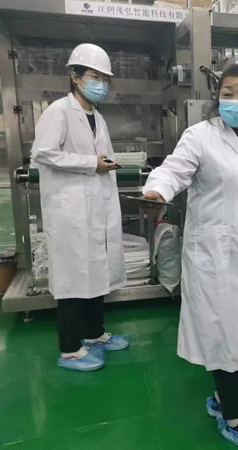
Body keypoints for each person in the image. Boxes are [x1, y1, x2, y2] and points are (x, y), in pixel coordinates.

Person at [142, 63, 238, 449]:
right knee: (224, 334)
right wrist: (157, 190)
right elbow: (174, 171)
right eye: (227, 93)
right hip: (214, 256)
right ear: (217, 97)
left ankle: (224, 397)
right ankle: (234, 417)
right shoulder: (200, 136)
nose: (234, 101)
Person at [31, 43, 130, 372]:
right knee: (74, 281)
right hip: (70, 213)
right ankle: (70, 349)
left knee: (95, 275)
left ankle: (94, 333)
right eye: (94, 76)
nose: (100, 84)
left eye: (105, 79)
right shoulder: (59, 111)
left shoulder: (96, 117)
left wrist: (104, 165)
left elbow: (100, 158)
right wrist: (91, 164)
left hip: (95, 210)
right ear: (75, 77)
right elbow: (43, 153)